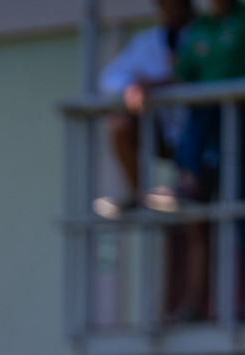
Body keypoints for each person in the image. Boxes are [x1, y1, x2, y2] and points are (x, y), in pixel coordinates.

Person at [173, 0, 245, 320]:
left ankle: (190, 175)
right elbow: (181, 83)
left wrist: (239, 91)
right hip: (216, 135)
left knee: (213, 107)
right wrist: (143, 86)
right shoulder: (198, 30)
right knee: (239, 200)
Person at [97, 0, 195, 209]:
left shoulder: (207, 34)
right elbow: (109, 79)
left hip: (203, 132)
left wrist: (158, 85)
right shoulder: (148, 42)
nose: (168, 8)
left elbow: (199, 77)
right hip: (161, 133)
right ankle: (139, 196)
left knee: (198, 207)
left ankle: (185, 190)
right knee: (119, 122)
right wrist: (133, 88)